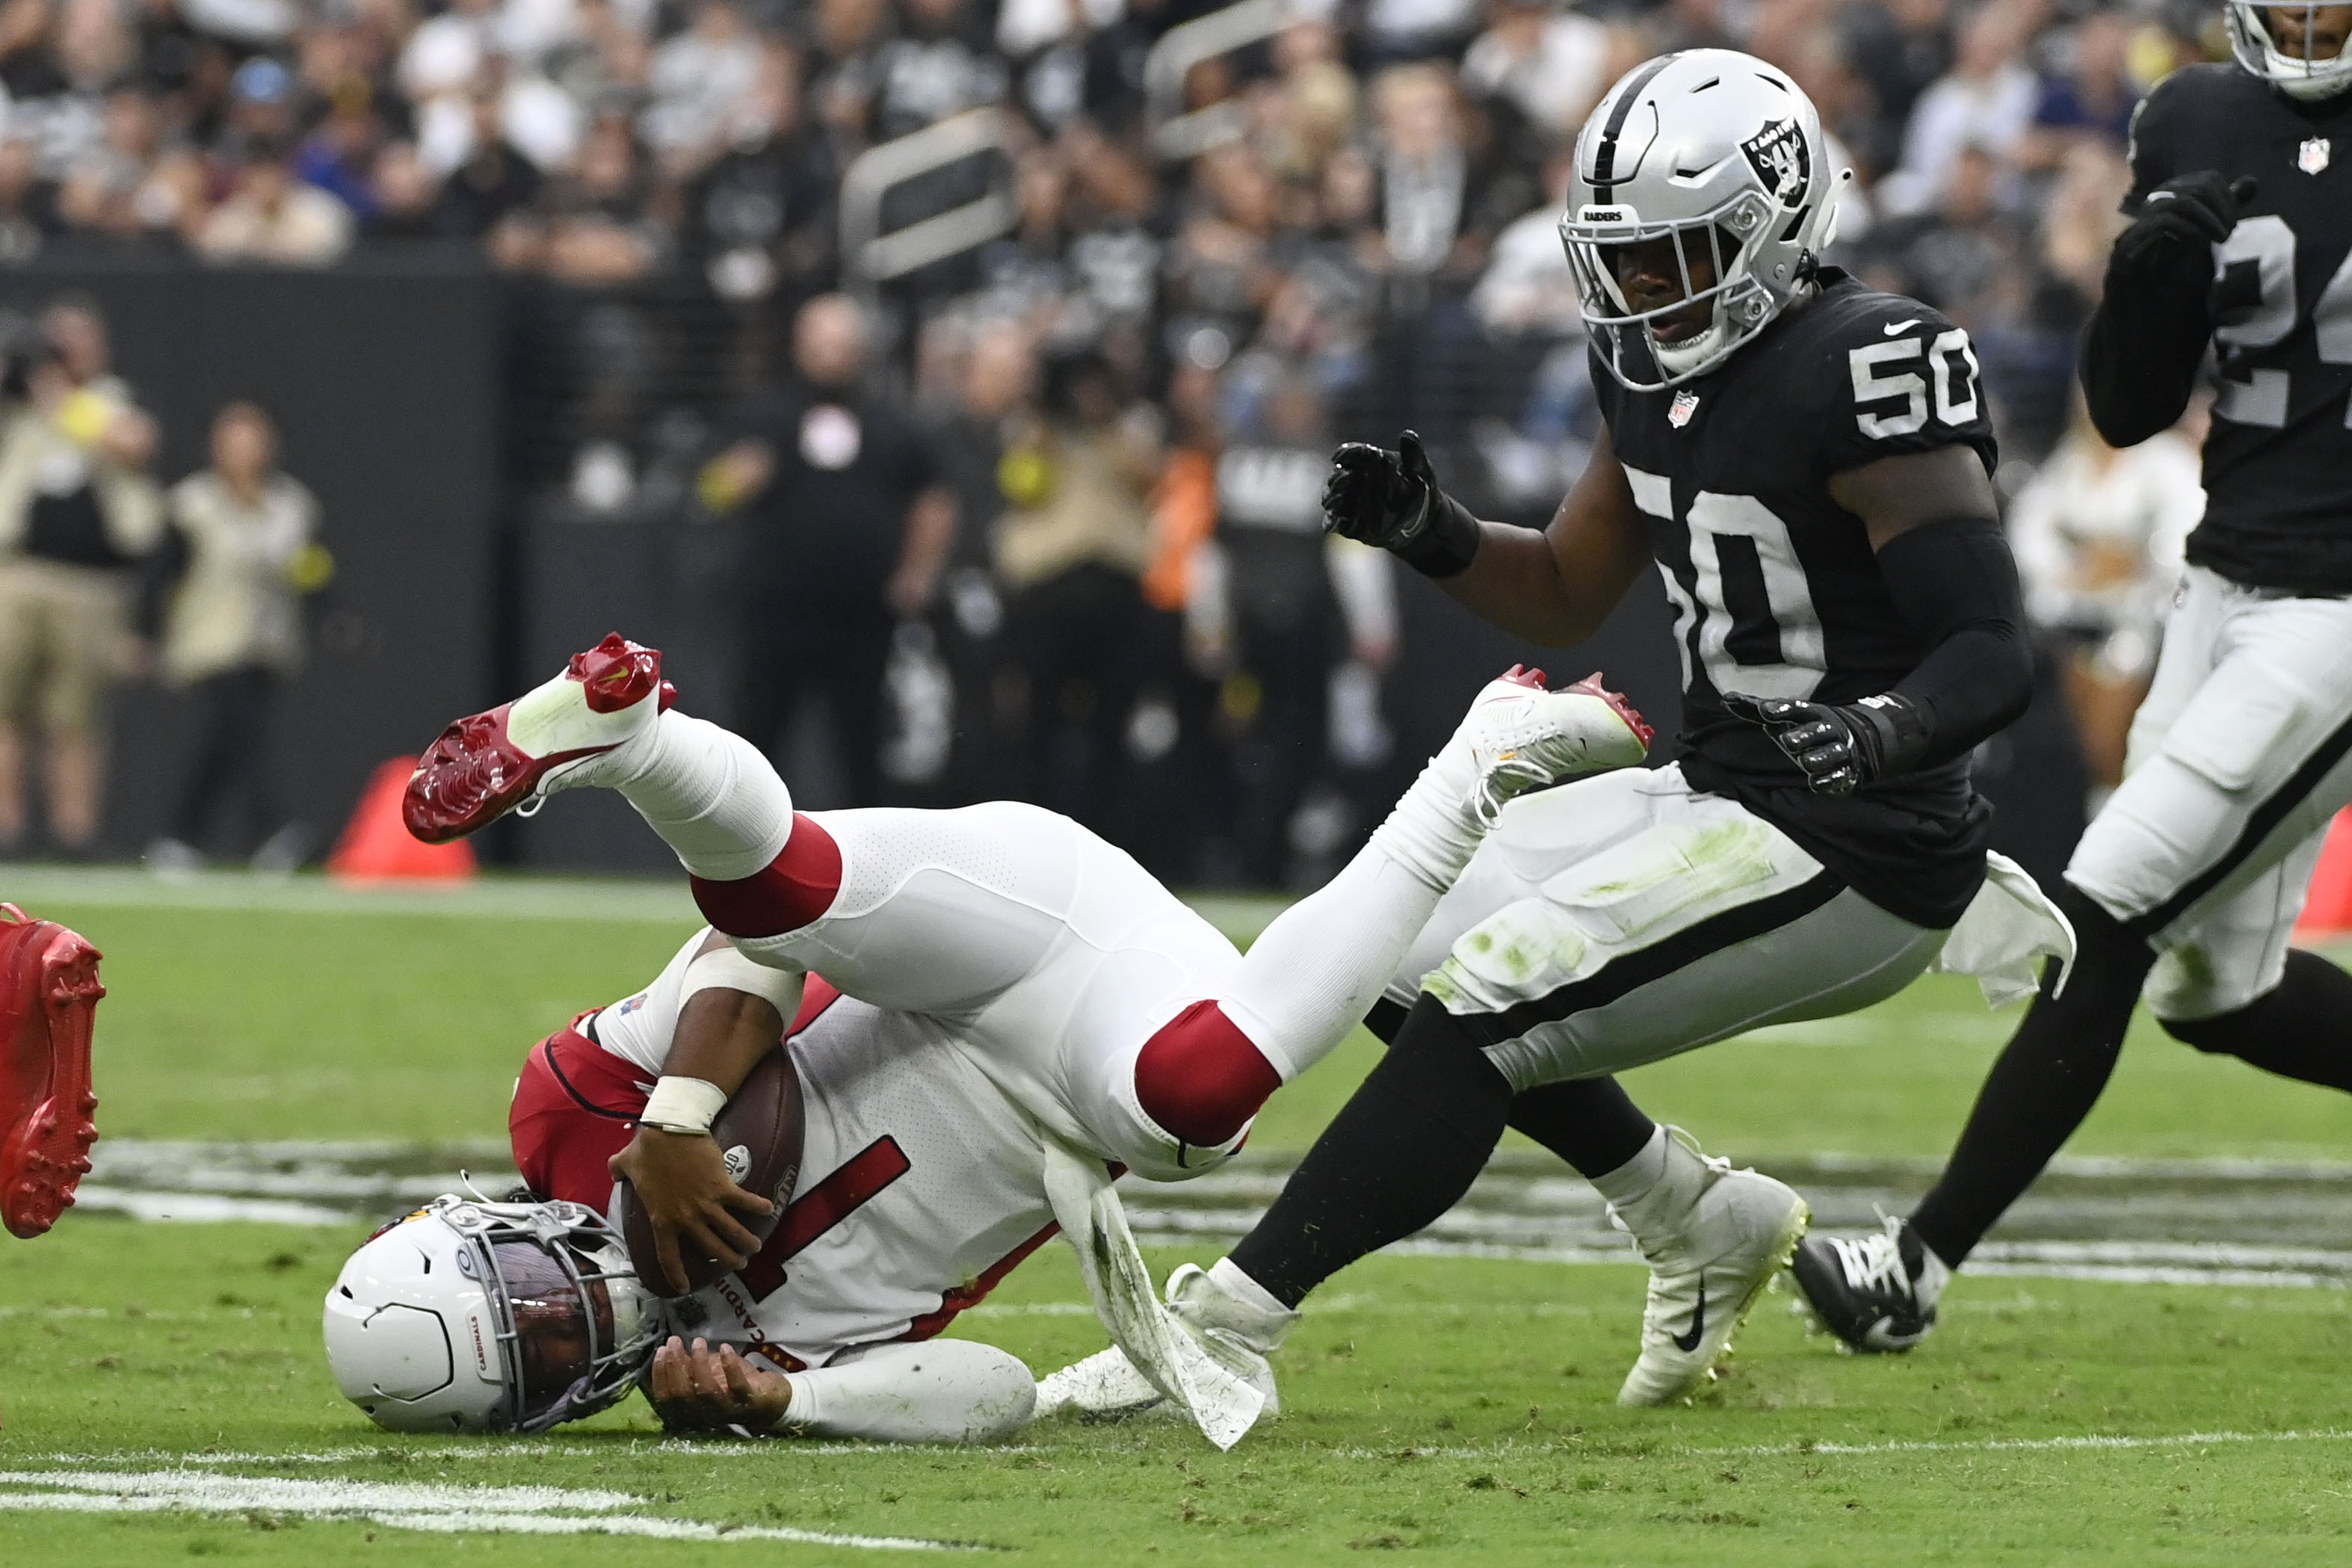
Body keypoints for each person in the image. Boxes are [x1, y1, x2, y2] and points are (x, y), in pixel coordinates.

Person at [1049, 51, 2064, 1415]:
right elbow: (1566, 589)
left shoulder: (1870, 362)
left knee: (1493, 996)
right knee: (1395, 953)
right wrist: (1434, 534)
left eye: (1679, 254)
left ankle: (1227, 1322)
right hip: (1723, 791)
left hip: (1860, 840)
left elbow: (1992, 647)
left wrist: (1879, 734)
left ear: (1778, 219)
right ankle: (1689, 1214)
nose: (1647, 290)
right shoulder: (1647, 365)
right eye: (1627, 260)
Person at [344, 630, 1649, 1440]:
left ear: (478, 1224)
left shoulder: (563, 1122)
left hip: (987, 935)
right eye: (545, 1356)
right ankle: (1485, 756)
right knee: (1185, 1106)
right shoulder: (734, 1362)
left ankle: (630, 732)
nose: (567, 1315)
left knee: (776, 886)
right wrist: (794, 1402)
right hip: (1083, 1057)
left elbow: (749, 953)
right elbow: (991, 1388)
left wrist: (678, 1115)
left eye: (521, 1297)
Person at [1794, 0, 2352, 1353]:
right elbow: (2125, 407)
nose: (2314, 23)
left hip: (2338, 606)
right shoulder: (2196, 114)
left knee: (2102, 905)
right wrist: (2149, 276)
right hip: (2218, 581)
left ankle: (1911, 1269)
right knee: (2217, 993)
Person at [702, 294, 957, 805]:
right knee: (758, 740)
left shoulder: (894, 425)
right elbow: (710, 491)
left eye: (843, 342)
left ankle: (864, 865)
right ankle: (739, 859)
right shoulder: (762, 418)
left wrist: (917, 574)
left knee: (862, 745)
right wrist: (735, 480)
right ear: (799, 345)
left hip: (861, 615)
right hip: (776, 612)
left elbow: (934, 499)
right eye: (822, 341)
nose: (833, 353)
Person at [0, 298, 162, 858]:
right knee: (7, 706)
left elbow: (134, 442)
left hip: (90, 585)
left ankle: (75, 834)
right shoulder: (20, 404)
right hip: (19, 573)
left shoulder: (109, 401)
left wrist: (62, 399)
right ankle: (9, 829)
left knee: (77, 715)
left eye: (79, 341)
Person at [141, 402, 324, 873]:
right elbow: (164, 572)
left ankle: (179, 838)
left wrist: (332, 611)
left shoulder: (290, 506)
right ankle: (272, 829)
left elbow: (307, 567)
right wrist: (144, 631)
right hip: (211, 641)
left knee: (227, 742)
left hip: (268, 642)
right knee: (240, 732)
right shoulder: (193, 504)